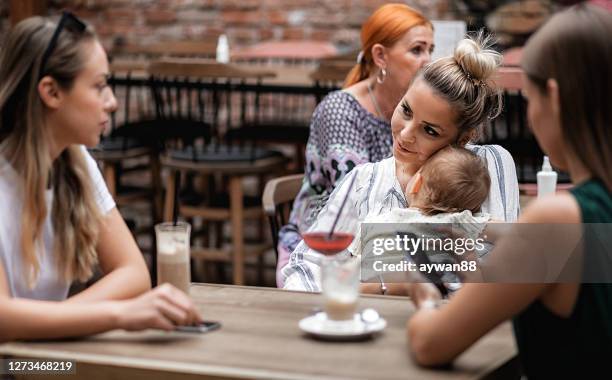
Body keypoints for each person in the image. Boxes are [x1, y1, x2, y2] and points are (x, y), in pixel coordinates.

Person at [406, 4, 612, 378]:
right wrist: (474, 228)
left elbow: (430, 344)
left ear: (555, 98)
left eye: (530, 101)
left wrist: (424, 297)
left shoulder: (558, 220)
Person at [0, 13, 201, 342]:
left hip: (35, 362)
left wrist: (53, 323)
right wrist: (118, 315)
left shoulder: (75, 162)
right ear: (51, 92)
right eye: (99, 86)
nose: (112, 102)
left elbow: (134, 273)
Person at [281, 33, 520, 292]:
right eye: (406, 110)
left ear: (462, 139)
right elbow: (308, 263)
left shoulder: (488, 166)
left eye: (429, 130)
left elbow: (501, 273)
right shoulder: (364, 180)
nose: (405, 134)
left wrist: (384, 282)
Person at [276, 3, 435, 286]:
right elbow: (358, 202)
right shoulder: (340, 110)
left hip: (388, 238)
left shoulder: (418, 112)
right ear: (380, 56)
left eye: (430, 50)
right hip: (321, 247)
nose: (428, 61)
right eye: (417, 50)